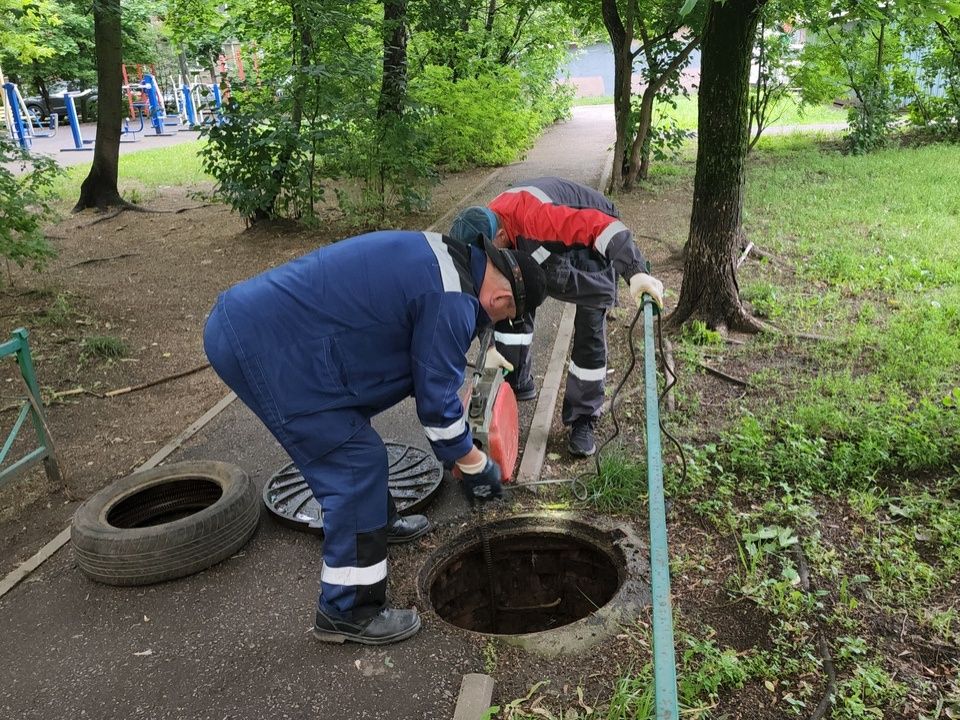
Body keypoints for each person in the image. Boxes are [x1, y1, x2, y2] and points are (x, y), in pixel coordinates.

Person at [203, 230, 546, 645]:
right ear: (503, 299)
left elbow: (426, 369)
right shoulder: (453, 299)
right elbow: (437, 407)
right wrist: (475, 463)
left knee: (355, 447)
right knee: (354, 465)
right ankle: (347, 611)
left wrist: (458, 447)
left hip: (273, 330)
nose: (491, 323)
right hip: (269, 347)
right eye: (502, 317)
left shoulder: (450, 261)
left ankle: (376, 523)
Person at [449, 177, 664, 458]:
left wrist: (636, 272)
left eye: (486, 259)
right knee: (510, 303)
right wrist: (488, 348)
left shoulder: (538, 217)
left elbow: (604, 228)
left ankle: (583, 418)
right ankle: (516, 381)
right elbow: (480, 293)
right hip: (537, 245)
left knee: (589, 332)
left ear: (499, 236)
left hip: (589, 243)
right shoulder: (482, 225)